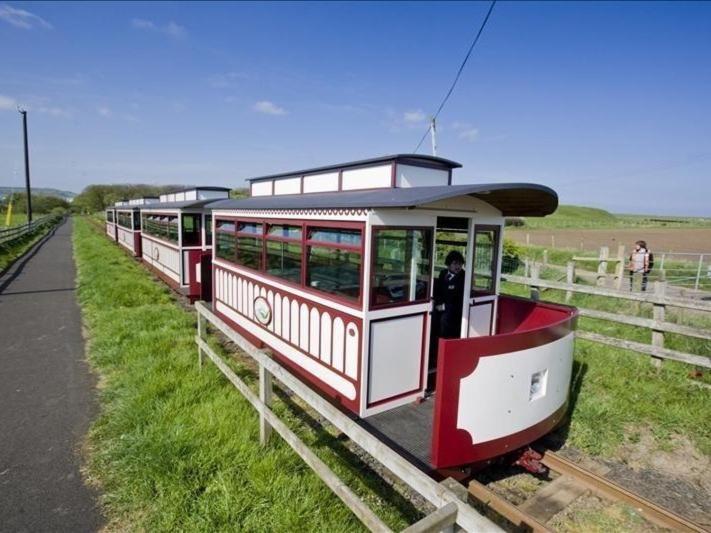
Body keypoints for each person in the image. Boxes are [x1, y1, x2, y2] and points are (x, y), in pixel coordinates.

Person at [433, 250, 466, 338]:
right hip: (440, 305)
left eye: (460, 264)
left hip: (455, 310)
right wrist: (438, 304)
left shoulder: (464, 277)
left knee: (445, 319)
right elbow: (438, 291)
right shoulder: (443, 273)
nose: (458, 267)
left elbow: (460, 300)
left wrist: (444, 307)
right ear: (448, 264)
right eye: (455, 264)